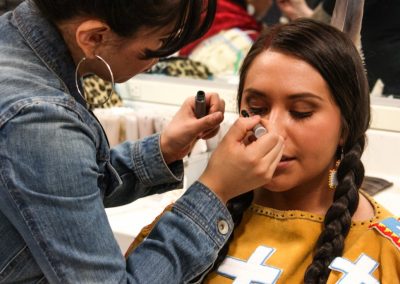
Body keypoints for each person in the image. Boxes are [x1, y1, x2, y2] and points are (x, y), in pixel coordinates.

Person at [0, 1, 285, 283]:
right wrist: (217, 188)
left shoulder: (12, 40)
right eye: (154, 48)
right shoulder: (39, 120)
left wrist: (164, 148)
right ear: (94, 38)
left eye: (302, 112)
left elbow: (52, 183)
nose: (156, 63)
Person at [130, 18, 400, 283]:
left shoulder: (387, 249)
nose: (271, 131)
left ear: (345, 127)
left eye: (301, 112)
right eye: (257, 109)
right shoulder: (188, 227)